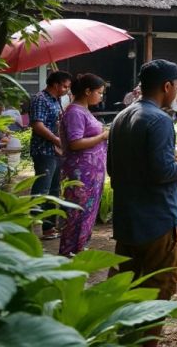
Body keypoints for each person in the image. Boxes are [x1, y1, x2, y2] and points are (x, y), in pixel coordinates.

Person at [107, 60, 177, 346]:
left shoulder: (121, 117)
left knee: (128, 288)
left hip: (127, 221)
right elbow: (164, 173)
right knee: (157, 291)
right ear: (167, 86)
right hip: (158, 222)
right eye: (176, 86)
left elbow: (113, 169)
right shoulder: (161, 120)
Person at [57, 73, 110, 256]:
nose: (101, 96)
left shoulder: (84, 110)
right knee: (77, 213)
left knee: (87, 212)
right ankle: (70, 253)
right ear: (88, 91)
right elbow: (75, 142)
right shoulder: (74, 112)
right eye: (99, 92)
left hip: (91, 172)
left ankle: (79, 249)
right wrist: (102, 136)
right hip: (81, 172)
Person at [30, 70, 71, 240]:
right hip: (44, 151)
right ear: (56, 84)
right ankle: (29, 230)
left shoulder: (57, 100)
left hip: (56, 151)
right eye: (65, 86)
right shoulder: (41, 98)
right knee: (42, 190)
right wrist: (56, 140)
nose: (67, 90)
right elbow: (37, 125)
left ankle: (48, 227)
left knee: (54, 190)